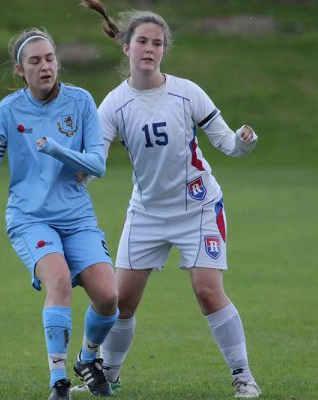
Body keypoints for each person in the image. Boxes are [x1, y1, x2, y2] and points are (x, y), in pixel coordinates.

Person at [79, 1, 262, 398]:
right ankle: (108, 377)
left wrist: (245, 143)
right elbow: (95, 159)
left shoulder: (186, 92)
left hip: (198, 207)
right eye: (142, 41)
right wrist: (77, 170)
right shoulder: (113, 104)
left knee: (207, 291)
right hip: (145, 212)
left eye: (157, 43)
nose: (150, 48)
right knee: (122, 301)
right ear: (126, 47)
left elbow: (228, 144)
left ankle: (244, 377)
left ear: (163, 50)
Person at [0, 28, 119, 400]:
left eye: (49, 58)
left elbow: (97, 165)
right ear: (20, 69)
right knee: (59, 280)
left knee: (110, 297)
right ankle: (58, 380)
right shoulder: (5, 112)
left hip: (77, 217)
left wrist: (57, 150)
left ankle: (87, 359)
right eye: (35, 61)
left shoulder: (81, 103)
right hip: (30, 217)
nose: (45, 66)